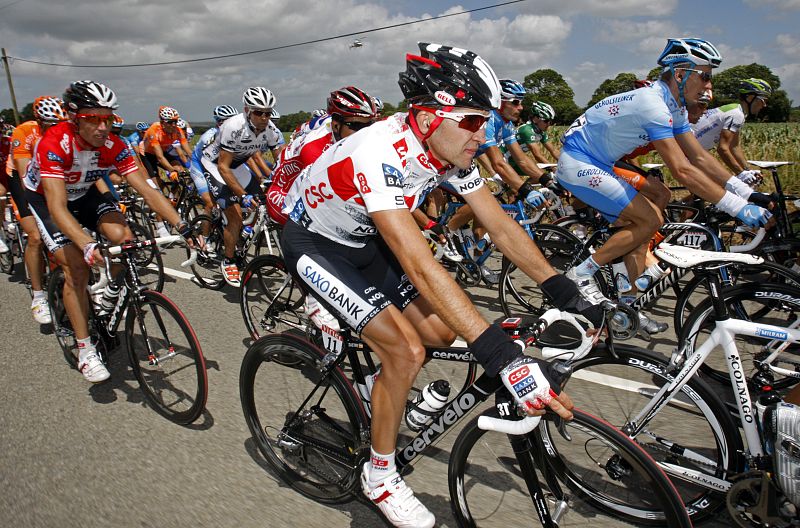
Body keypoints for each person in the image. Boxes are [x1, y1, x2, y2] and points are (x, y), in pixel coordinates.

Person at [281, 43, 600, 528]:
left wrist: (564, 288)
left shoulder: (450, 150)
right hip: (316, 243)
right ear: (430, 117)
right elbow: (420, 263)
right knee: (406, 351)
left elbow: (500, 225)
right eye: (473, 120)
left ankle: (377, 387)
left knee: (439, 335)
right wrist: (501, 354)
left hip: (365, 240)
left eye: (487, 121)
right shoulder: (377, 150)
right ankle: (380, 475)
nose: (482, 133)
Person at [555, 38, 772, 312]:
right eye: (705, 77)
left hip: (601, 163)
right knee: (650, 218)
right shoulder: (653, 104)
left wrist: (746, 192)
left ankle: (627, 302)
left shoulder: (675, 107)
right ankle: (581, 273)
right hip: (578, 161)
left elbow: (700, 157)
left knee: (643, 225)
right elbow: (682, 169)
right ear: (680, 74)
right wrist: (737, 206)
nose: (709, 87)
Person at [23, 80, 193, 383]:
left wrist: (182, 225)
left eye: (108, 118)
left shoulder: (113, 144)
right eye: (93, 118)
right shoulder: (54, 142)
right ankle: (85, 350)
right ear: (73, 117)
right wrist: (87, 244)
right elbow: (58, 207)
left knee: (125, 239)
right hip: (49, 200)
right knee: (76, 267)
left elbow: (148, 190)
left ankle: (108, 296)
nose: (103, 127)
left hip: (85, 192)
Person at [199, 87, 284, 286]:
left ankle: (242, 235)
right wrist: (242, 195)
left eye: (268, 113)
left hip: (238, 166)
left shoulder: (271, 130)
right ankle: (228, 261)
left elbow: (282, 161)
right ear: (247, 110)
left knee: (265, 204)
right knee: (235, 215)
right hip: (216, 165)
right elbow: (223, 167)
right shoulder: (233, 126)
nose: (264, 117)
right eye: (258, 112)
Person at [4, 96, 69, 323]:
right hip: (25, 182)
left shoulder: (65, 133)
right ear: (39, 121)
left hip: (53, 181)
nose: (57, 128)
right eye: (52, 124)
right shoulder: (24, 132)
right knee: (35, 237)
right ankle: (39, 295)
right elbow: (24, 175)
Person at [692, 77, 772, 183]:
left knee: (709, 192)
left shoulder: (738, 112)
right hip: (687, 152)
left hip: (693, 152)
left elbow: (734, 146)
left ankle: (684, 200)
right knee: (717, 189)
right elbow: (722, 149)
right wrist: (741, 173)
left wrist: (748, 171)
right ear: (750, 97)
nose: (764, 105)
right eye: (763, 100)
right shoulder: (736, 114)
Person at [188, 104, 238, 215]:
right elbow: (210, 163)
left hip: (217, 164)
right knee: (211, 204)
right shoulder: (209, 137)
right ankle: (205, 233)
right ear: (219, 122)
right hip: (200, 165)